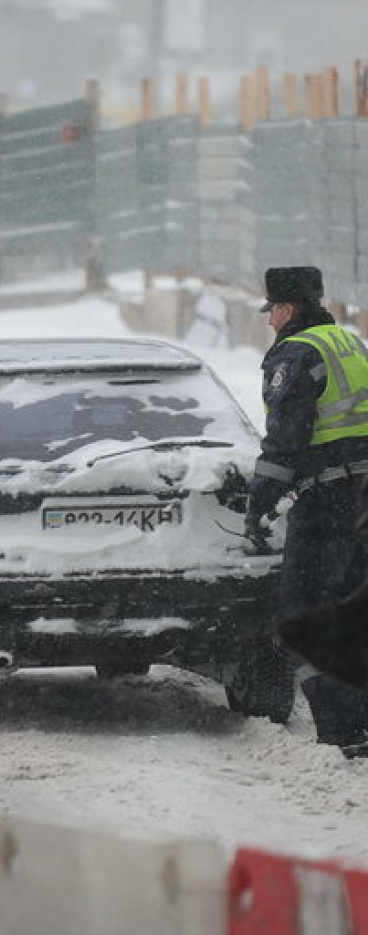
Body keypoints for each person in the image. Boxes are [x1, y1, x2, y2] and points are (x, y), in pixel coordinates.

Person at [245, 265, 368, 756]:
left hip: (328, 503)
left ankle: (344, 732)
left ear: (287, 308)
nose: (270, 321)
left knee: (307, 615)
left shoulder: (298, 353)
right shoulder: (350, 343)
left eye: (271, 311)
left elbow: (286, 440)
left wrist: (259, 505)